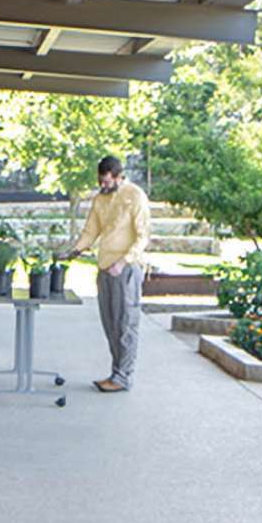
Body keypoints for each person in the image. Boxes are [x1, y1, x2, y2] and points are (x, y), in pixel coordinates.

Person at [75, 153, 151, 392]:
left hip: (125, 268)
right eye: (100, 181)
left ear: (119, 177)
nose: (103, 186)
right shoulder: (100, 199)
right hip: (105, 267)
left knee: (125, 323)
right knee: (110, 323)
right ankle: (116, 372)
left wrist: (124, 261)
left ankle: (123, 377)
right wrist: (75, 250)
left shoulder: (135, 196)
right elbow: (91, 230)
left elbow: (143, 236)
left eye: (107, 182)